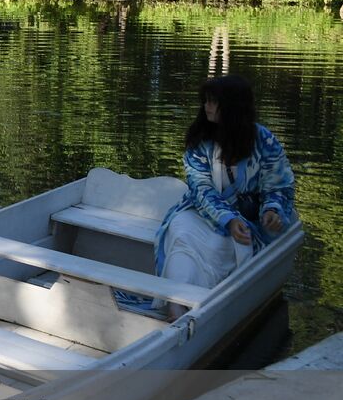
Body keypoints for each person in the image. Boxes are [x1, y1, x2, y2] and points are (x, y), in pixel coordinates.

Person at [119, 75, 296, 317]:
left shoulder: (264, 141)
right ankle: (175, 302)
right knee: (180, 230)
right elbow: (200, 189)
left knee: (221, 245)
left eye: (213, 102)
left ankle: (195, 302)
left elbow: (279, 186)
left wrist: (272, 211)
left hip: (248, 224)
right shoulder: (200, 141)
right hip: (204, 213)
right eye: (206, 101)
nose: (206, 106)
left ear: (232, 108)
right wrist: (228, 220)